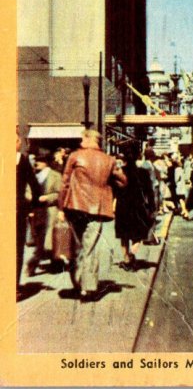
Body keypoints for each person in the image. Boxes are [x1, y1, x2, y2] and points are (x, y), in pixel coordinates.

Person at [58, 129, 127, 301]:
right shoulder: (109, 160)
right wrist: (107, 184)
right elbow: (123, 181)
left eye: (82, 137)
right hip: (98, 209)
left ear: (88, 139)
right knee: (90, 247)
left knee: (78, 246)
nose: (80, 140)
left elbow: (65, 183)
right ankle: (87, 288)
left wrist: (61, 207)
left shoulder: (75, 156)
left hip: (75, 206)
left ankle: (79, 283)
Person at [114, 143, 156, 270]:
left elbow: (114, 190)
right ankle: (133, 252)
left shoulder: (120, 172)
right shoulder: (142, 172)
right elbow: (149, 191)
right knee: (138, 234)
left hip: (122, 206)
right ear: (139, 155)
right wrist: (152, 207)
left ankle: (127, 259)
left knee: (123, 235)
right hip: (138, 206)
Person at [26, 149, 62, 276]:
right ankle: (54, 263)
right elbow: (27, 190)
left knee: (49, 239)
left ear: (46, 162)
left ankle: (33, 264)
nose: (37, 163)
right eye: (36, 160)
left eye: (40, 160)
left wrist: (48, 197)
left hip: (50, 211)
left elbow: (60, 194)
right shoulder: (33, 175)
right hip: (36, 211)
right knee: (39, 238)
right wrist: (29, 196)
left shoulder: (55, 176)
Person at [16, 134, 40, 299]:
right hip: (17, 210)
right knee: (17, 249)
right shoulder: (22, 160)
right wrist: (34, 204)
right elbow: (34, 185)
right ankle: (14, 287)